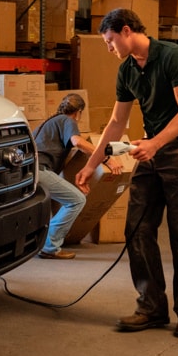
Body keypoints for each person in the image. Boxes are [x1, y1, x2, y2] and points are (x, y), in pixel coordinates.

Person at [76, 8, 178, 339]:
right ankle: (151, 306)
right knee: (137, 228)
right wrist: (91, 165)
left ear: (127, 31)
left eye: (110, 41)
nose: (109, 48)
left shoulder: (172, 57)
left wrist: (156, 143)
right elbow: (116, 123)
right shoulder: (128, 71)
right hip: (151, 151)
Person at [33, 92, 109, 259]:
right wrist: (105, 158)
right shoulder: (68, 120)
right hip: (40, 170)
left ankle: (42, 243)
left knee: (48, 205)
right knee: (76, 200)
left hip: (28, 171)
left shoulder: (46, 123)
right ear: (78, 112)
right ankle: (50, 246)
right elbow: (78, 142)